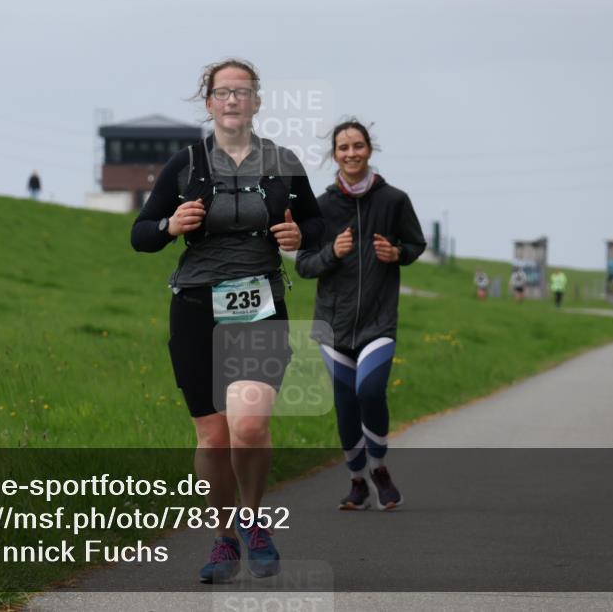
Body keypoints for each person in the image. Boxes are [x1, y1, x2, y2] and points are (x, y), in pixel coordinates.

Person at [131, 59, 323, 583]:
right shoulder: (185, 163)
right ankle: (223, 538)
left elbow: (315, 225)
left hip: (260, 305)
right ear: (209, 102)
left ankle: (255, 521)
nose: (233, 100)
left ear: (257, 102)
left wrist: (300, 238)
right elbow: (141, 234)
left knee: (250, 424)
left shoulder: (283, 162)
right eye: (223, 92)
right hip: (195, 309)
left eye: (243, 92)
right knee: (214, 438)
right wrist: (170, 224)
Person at [295, 120, 426, 511]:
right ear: (334, 154)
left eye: (357, 145)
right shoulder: (321, 207)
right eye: (343, 147)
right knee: (346, 403)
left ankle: (380, 469)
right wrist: (332, 253)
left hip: (379, 320)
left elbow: (415, 243)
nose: (350, 153)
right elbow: (303, 265)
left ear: (369, 150)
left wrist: (397, 254)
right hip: (333, 323)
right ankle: (356, 482)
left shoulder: (394, 200)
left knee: (370, 391)